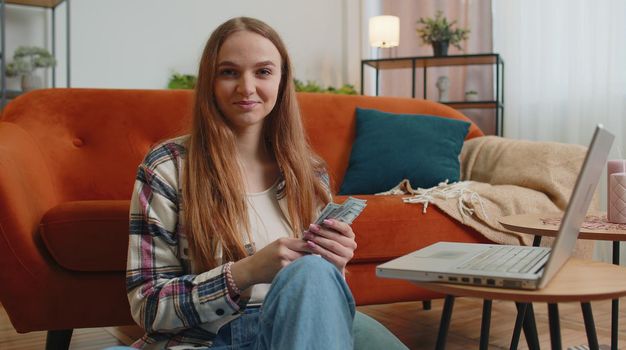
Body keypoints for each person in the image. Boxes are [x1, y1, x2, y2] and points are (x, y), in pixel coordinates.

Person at [125, 16, 408, 349]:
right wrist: (245, 272)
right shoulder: (167, 166)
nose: (247, 88)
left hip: (294, 326)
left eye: (263, 72)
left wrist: (335, 264)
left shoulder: (309, 171)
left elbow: (316, 298)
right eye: (229, 72)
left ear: (281, 81)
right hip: (209, 339)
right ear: (209, 82)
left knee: (322, 282)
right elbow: (148, 304)